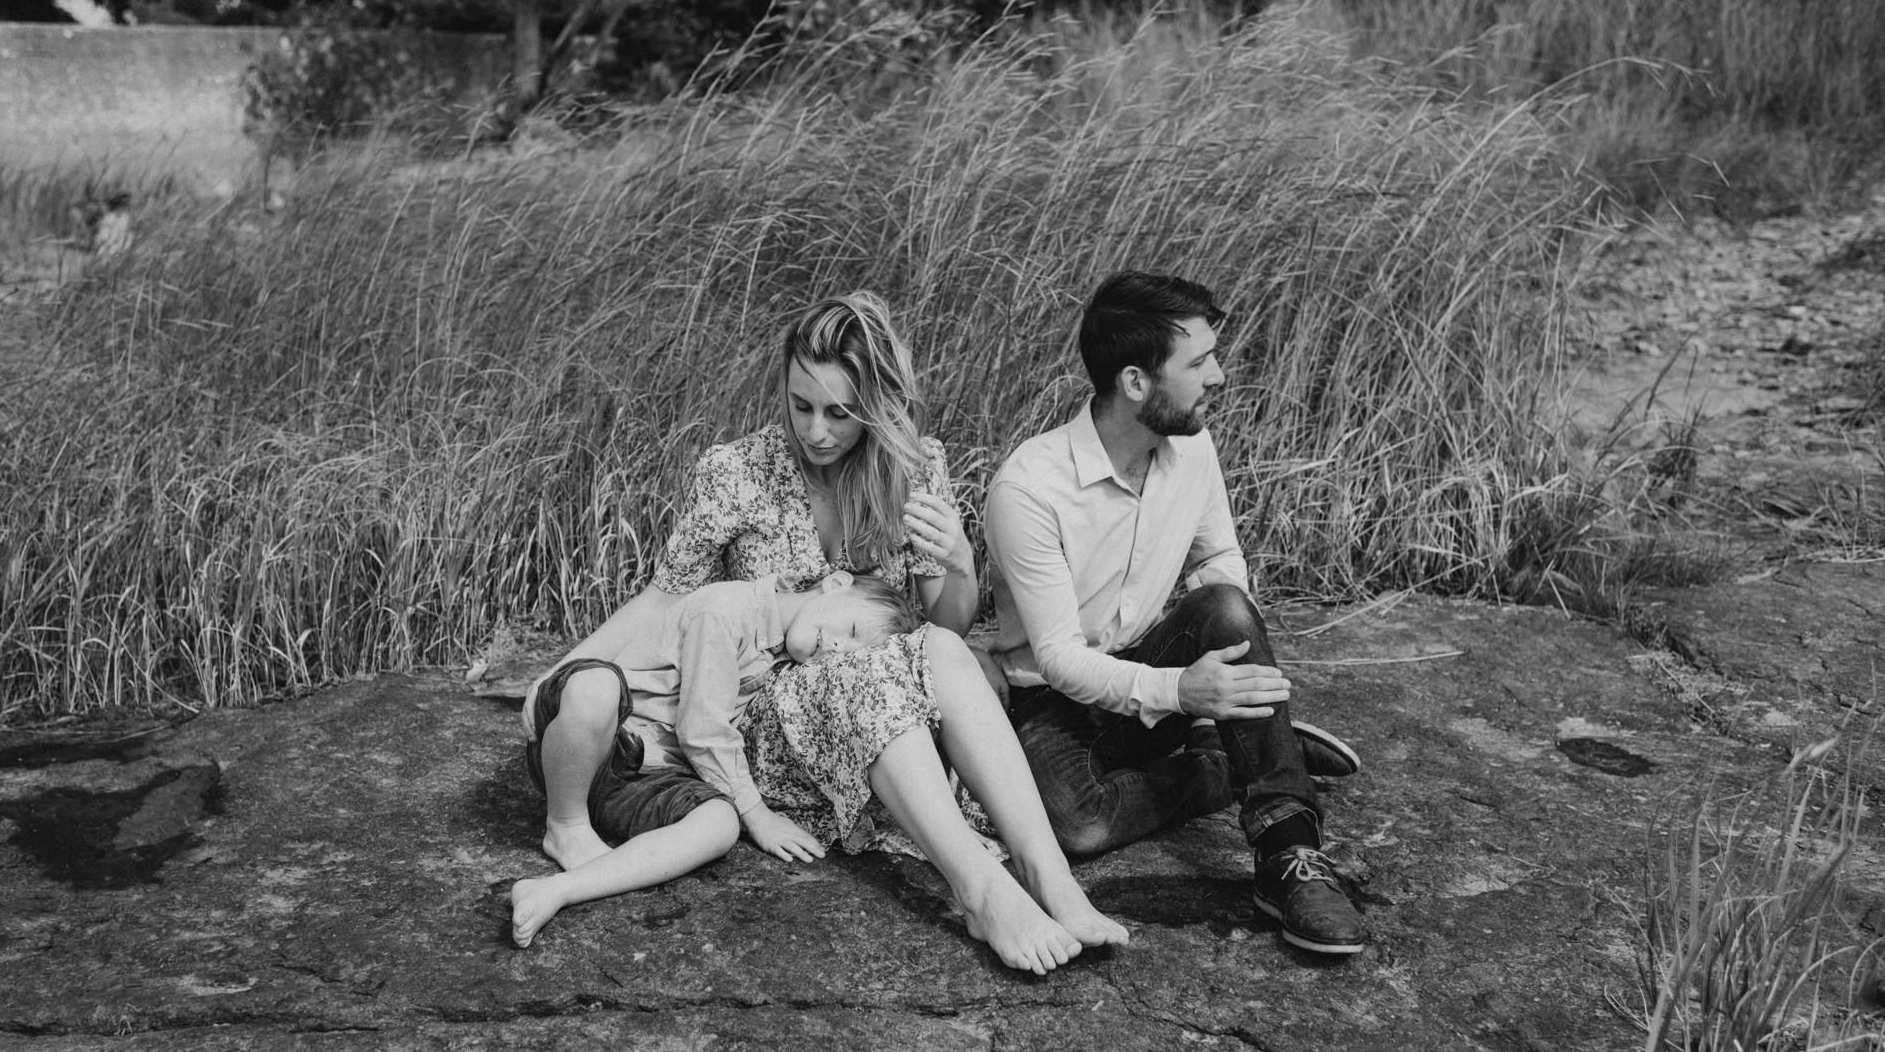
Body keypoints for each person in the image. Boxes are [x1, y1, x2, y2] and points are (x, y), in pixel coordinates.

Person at [500, 291, 1128, 975]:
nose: (818, 430)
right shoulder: (738, 472)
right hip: (772, 719)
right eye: (802, 405)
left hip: (878, 707)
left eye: (840, 412)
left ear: (876, 403)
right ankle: (980, 890)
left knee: (948, 650)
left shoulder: (910, 469)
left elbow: (940, 622)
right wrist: (570, 670)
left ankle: (1050, 876)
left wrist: (958, 560)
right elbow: (666, 596)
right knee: (865, 671)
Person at [982, 270, 1367, 956]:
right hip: (1052, 702)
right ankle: (1237, 755)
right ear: (1136, 381)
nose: (1217, 375)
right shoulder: (1028, 489)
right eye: (1199, 362)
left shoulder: (1193, 445)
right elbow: (1060, 660)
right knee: (1077, 827)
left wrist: (1210, 651)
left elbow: (1219, 559)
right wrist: (1184, 692)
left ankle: (1288, 852)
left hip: (1149, 664)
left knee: (1224, 603)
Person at [508, 572, 918, 948]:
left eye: (846, 654)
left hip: (641, 776)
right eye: (850, 630)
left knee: (721, 823)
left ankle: (559, 889)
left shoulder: (784, 659)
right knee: (595, 687)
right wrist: (758, 815)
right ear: (836, 581)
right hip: (587, 744)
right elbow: (701, 729)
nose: (834, 647)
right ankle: (566, 824)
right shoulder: (726, 610)